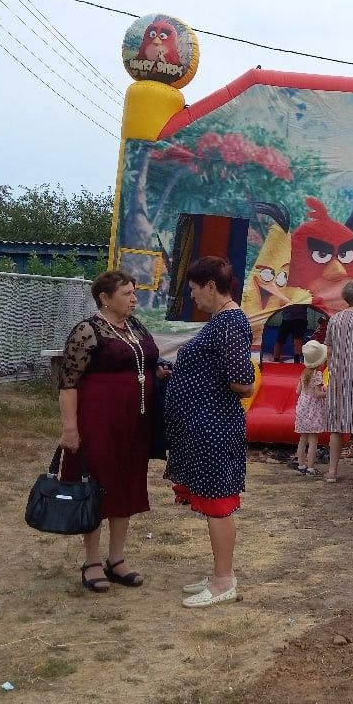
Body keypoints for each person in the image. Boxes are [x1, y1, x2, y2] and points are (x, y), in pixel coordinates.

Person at [58, 269, 161, 593]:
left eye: (134, 292)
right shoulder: (87, 331)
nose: (134, 299)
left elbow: (144, 364)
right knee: (97, 487)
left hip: (134, 422)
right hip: (98, 420)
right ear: (105, 297)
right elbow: (68, 384)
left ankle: (116, 559)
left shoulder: (135, 327)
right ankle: (91, 560)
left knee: (126, 484)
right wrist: (70, 428)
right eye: (127, 293)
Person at [163, 256, 258, 607]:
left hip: (214, 426)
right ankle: (219, 572)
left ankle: (223, 581)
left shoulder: (230, 322)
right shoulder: (221, 321)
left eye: (193, 289)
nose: (193, 297)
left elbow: (243, 382)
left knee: (219, 503)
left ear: (211, 286)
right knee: (212, 500)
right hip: (204, 425)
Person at [322, 278, 353, 484]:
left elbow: (329, 351)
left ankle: (332, 471)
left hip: (338, 378)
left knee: (337, 426)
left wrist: (332, 371)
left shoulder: (334, 319)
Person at [293, 339, 329, 476]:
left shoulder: (304, 373)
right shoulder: (318, 374)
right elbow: (317, 394)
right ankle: (310, 467)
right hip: (313, 410)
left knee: (303, 438)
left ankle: (301, 465)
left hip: (302, 407)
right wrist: (328, 393)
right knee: (313, 439)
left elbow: (298, 391)